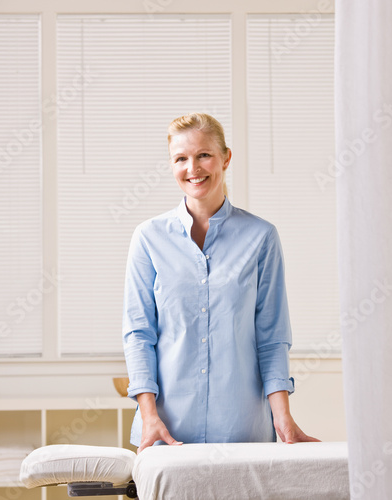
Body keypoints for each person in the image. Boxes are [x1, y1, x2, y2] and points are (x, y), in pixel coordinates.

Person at [122, 112, 319, 453]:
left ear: (225, 158)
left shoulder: (261, 237)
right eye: (180, 158)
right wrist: (148, 413)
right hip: (166, 433)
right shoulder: (148, 238)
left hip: (242, 430)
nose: (192, 168)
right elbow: (139, 335)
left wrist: (282, 416)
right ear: (171, 166)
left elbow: (272, 337)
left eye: (203, 155)